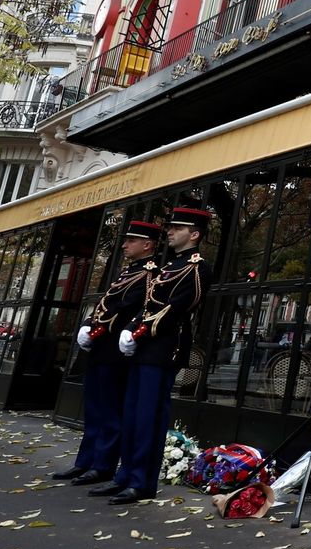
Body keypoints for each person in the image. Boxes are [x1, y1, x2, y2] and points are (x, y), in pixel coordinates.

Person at [93, 206, 212, 505]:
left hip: (164, 348)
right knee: (132, 414)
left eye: (178, 228)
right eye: (171, 227)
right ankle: (125, 475)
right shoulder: (171, 265)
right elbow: (148, 304)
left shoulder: (197, 267)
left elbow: (177, 308)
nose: (169, 232)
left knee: (148, 417)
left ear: (194, 234)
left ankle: (141, 481)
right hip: (144, 348)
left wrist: (140, 331)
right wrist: (131, 329)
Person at [52, 221, 162, 486]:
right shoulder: (128, 272)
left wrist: (103, 328)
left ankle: (103, 465)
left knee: (111, 411)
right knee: (95, 408)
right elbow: (106, 302)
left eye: (131, 241)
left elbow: (131, 308)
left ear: (147, 245)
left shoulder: (151, 273)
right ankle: (85, 461)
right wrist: (89, 325)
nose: (125, 245)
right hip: (102, 348)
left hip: (117, 351)